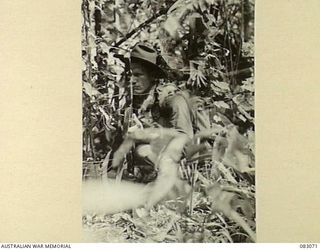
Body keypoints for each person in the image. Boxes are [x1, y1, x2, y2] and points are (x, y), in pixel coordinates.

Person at [114, 43, 196, 183]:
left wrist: (146, 136)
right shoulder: (134, 104)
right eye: (130, 75)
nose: (132, 80)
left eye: (138, 75)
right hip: (145, 173)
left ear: (152, 76)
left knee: (144, 150)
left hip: (175, 169)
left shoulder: (172, 99)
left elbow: (185, 140)